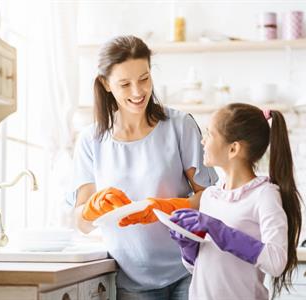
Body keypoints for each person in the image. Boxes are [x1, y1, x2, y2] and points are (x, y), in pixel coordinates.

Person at [71, 35, 217, 300]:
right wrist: (92, 209)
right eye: (125, 84)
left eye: (144, 79)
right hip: (133, 280)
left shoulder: (179, 126)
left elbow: (211, 199)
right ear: (105, 84)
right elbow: (81, 223)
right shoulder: (91, 141)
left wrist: (164, 207)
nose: (138, 92)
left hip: (189, 270)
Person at [169, 103, 302, 300]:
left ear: (233, 149)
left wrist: (221, 231)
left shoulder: (264, 195)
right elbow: (197, 268)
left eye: (210, 134)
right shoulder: (209, 197)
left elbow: (276, 262)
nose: (203, 141)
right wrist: (187, 245)